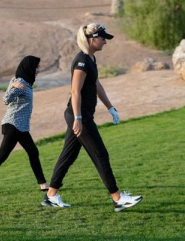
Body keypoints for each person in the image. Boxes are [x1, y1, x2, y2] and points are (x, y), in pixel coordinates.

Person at [41, 23, 143, 212]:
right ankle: (117, 198)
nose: (105, 41)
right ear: (92, 39)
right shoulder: (81, 61)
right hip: (79, 116)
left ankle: (51, 195)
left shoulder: (91, 59)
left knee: (68, 156)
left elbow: (96, 85)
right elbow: (75, 90)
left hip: (80, 115)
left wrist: (110, 107)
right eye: (102, 38)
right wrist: (78, 118)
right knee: (100, 154)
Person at [0, 55, 48, 194]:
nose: (38, 70)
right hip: (13, 124)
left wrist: (12, 84)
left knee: (32, 152)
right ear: (29, 67)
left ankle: (43, 184)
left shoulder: (24, 82)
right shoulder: (20, 83)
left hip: (20, 126)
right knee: (2, 155)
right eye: (36, 67)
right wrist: (12, 86)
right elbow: (5, 99)